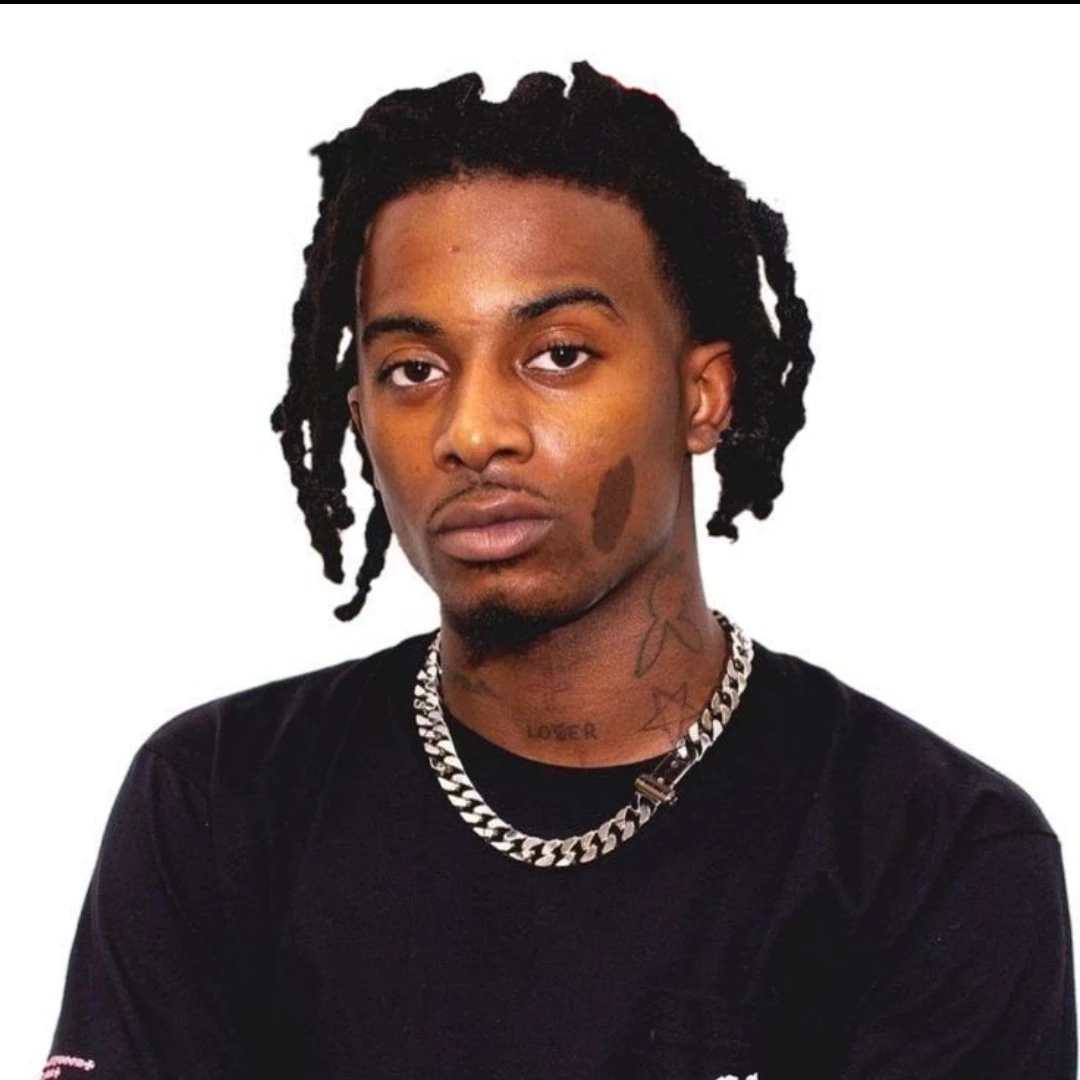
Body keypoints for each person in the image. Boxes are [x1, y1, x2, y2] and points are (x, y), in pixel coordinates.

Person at [44, 62, 1075, 1080]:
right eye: (413, 370)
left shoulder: (931, 856)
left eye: (559, 354)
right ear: (360, 414)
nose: (473, 431)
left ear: (703, 395)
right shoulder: (218, 805)